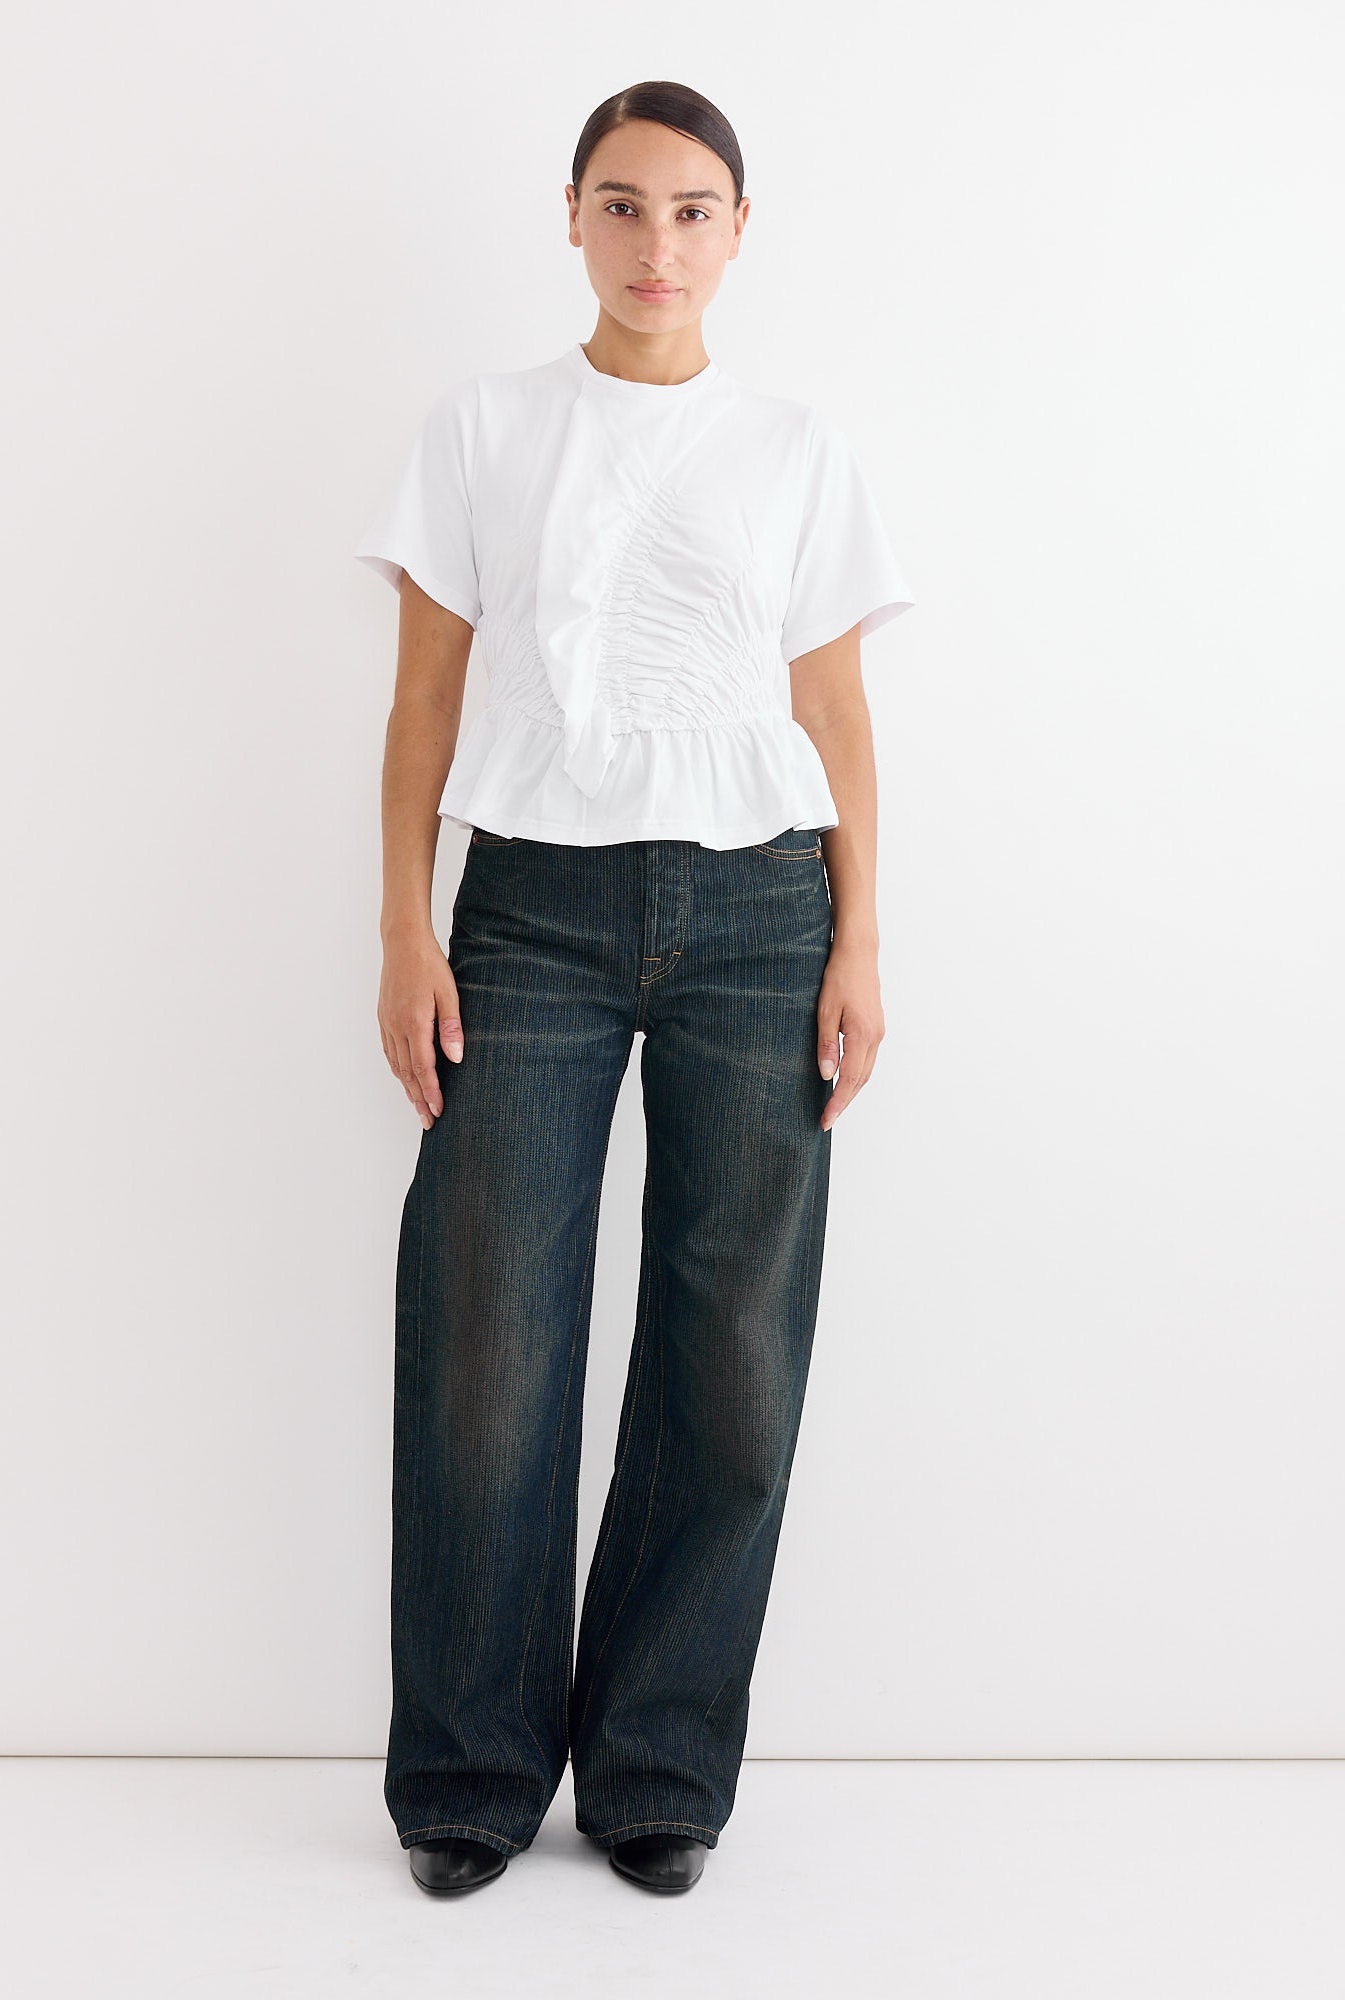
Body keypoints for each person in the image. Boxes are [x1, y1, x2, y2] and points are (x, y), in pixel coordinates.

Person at [352, 80, 915, 1898]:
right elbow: (426, 699)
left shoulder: (799, 449)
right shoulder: (484, 430)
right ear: (573, 221)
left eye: (692, 210)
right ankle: (469, 1773)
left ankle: (661, 1767)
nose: (656, 244)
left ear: (739, 232)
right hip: (525, 918)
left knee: (731, 1354)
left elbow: (833, 717)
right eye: (623, 205)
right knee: (484, 1338)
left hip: (762, 910)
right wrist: (402, 924)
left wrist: (861, 937)